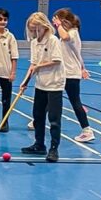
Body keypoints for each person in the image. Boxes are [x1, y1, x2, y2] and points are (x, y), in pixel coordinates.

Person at [19, 12, 65, 163]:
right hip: (41, 84)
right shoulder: (34, 43)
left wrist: (39, 66)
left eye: (36, 28)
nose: (34, 32)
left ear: (44, 26)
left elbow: (56, 61)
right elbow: (33, 64)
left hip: (54, 84)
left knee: (54, 119)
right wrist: (25, 81)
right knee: (37, 116)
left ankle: (54, 149)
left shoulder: (53, 40)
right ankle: (39, 145)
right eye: (31, 29)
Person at [53, 8, 94, 143]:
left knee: (75, 102)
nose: (55, 24)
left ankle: (87, 130)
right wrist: (83, 68)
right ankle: (37, 121)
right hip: (65, 72)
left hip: (69, 74)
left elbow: (65, 37)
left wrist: (59, 25)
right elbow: (76, 54)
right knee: (51, 96)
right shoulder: (69, 34)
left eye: (57, 21)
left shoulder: (72, 33)